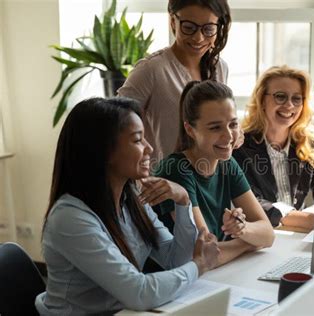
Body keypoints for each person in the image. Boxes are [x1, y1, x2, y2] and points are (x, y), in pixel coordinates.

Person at [35, 97, 220, 315]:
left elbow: (173, 261)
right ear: (104, 151)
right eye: (137, 140)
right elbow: (139, 292)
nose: (149, 148)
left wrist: (183, 200)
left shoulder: (130, 198)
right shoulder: (70, 218)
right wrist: (199, 265)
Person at [142, 80, 274, 266]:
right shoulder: (175, 169)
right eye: (215, 127)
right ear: (190, 130)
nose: (229, 136)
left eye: (233, 124)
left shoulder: (226, 163)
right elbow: (204, 253)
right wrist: (248, 243)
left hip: (212, 277)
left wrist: (242, 228)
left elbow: (268, 234)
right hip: (175, 283)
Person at [118, 0, 232, 166]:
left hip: (208, 183)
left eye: (208, 29)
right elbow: (115, 128)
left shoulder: (220, 68)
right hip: (163, 183)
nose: (198, 38)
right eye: (188, 27)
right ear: (173, 21)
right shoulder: (151, 70)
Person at [233, 65, 314, 231]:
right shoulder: (240, 147)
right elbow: (249, 202)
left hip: (295, 233)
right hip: (259, 234)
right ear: (262, 100)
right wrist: (306, 220)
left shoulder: (310, 143)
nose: (289, 105)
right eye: (280, 97)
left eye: (297, 99)